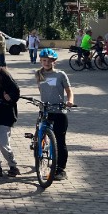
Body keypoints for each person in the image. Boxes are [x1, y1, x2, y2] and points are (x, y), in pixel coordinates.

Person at [35, 48, 75, 180]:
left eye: (49, 60)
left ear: (54, 61)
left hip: (58, 110)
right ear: (41, 61)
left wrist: (70, 101)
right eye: (44, 60)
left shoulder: (60, 74)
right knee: (40, 136)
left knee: (60, 141)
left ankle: (61, 169)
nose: (46, 63)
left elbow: (69, 91)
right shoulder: (38, 74)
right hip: (45, 110)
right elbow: (42, 91)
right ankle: (39, 154)